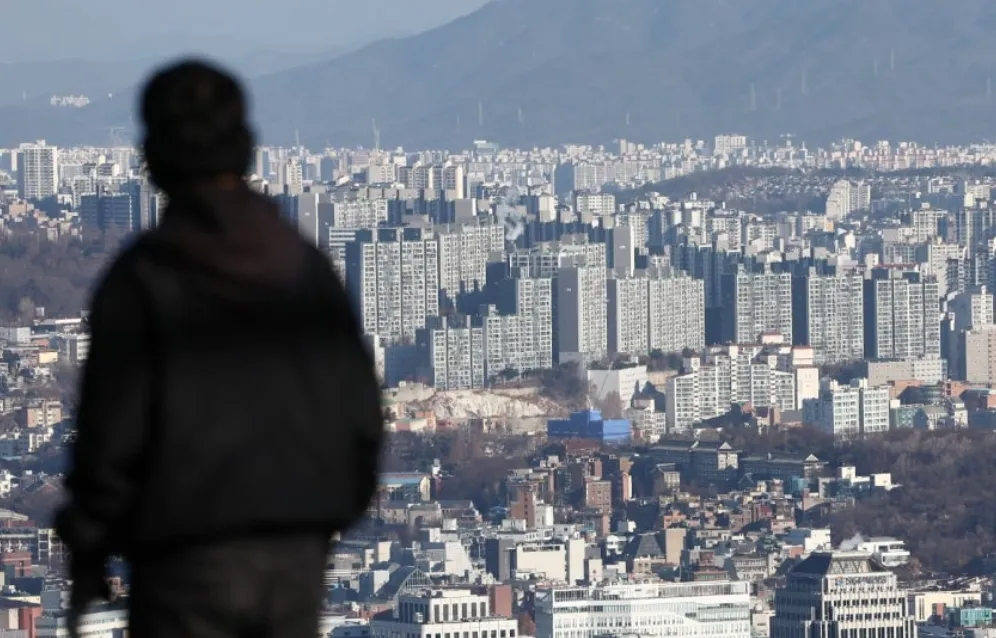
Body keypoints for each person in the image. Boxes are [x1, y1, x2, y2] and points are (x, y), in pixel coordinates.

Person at [54, 59, 384, 638]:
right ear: (247, 148)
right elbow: (359, 415)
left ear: (153, 157)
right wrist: (322, 517)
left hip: (183, 559)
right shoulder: (303, 270)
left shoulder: (145, 278)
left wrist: (89, 543)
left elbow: (109, 436)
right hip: (295, 559)